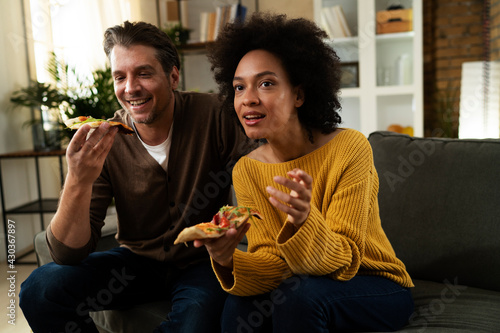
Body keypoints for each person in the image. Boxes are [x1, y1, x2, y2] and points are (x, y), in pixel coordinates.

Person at [19, 21, 252, 333]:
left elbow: (263, 161)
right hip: (135, 265)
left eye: (143, 73)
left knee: (194, 320)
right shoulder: (105, 139)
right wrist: (78, 179)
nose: (130, 88)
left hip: (202, 263)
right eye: (120, 77)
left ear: (173, 76)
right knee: (39, 289)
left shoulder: (216, 114)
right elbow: (66, 253)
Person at [196, 13, 415, 332]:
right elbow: (274, 263)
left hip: (376, 282)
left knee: (298, 297)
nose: (249, 99)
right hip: (301, 281)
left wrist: (303, 221)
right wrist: (227, 258)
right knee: (239, 306)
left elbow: (345, 260)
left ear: (299, 94)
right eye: (239, 88)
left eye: (266, 83)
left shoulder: (349, 147)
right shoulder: (247, 170)